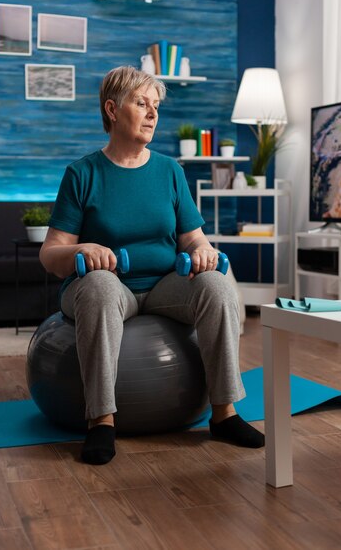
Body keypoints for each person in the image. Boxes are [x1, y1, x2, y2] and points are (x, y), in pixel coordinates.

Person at [39, 65, 264, 465]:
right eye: (141, 103)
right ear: (111, 109)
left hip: (164, 286)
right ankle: (101, 421)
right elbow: (51, 254)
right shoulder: (82, 174)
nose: (152, 113)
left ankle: (225, 413)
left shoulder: (170, 171)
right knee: (102, 286)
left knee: (217, 283)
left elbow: (193, 237)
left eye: (155, 105)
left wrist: (204, 252)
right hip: (103, 288)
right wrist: (84, 249)